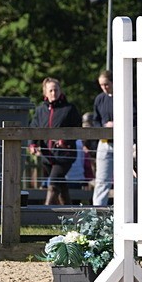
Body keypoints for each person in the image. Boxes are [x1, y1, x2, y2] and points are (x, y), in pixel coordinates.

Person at [29, 77, 82, 206]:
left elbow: (78, 129)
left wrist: (65, 140)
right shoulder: (41, 110)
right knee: (61, 185)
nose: (54, 93)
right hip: (47, 155)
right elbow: (34, 128)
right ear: (45, 92)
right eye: (51, 90)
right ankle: (71, 216)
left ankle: (43, 215)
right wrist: (33, 144)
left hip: (64, 155)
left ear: (60, 91)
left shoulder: (69, 109)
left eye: (56, 90)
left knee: (52, 184)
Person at [92, 70, 114, 207]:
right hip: (104, 142)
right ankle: (97, 212)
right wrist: (103, 128)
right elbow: (95, 120)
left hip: (123, 143)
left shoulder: (125, 96)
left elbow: (134, 118)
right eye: (101, 85)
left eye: (106, 84)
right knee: (101, 180)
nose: (104, 87)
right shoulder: (99, 99)